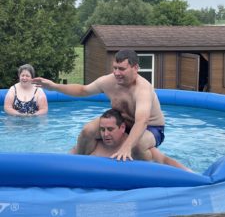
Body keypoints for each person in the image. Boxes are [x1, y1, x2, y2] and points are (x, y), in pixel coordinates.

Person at [32, 49, 165, 161]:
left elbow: (142, 121)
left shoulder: (142, 89)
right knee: (87, 131)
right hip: (123, 122)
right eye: (115, 68)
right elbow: (83, 90)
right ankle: (80, 163)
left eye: (122, 69)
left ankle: (147, 170)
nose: (117, 73)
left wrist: (127, 146)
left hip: (150, 127)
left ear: (135, 68)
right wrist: (55, 87)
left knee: (138, 145)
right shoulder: (108, 81)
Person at [70, 109, 192, 172]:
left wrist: (188, 172)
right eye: (102, 129)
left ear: (122, 128)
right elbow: (71, 159)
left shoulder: (134, 146)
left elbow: (164, 160)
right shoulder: (94, 145)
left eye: (110, 129)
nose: (105, 134)